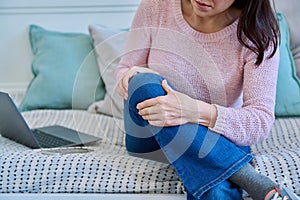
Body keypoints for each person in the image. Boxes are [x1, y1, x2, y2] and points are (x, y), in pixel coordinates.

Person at [115, 0, 300, 199]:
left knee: (217, 186)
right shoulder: (156, 6)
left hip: (215, 138)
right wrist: (130, 77)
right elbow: (125, 71)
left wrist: (193, 110)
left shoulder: (258, 33)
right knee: (143, 83)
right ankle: (251, 180)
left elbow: (260, 121)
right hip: (150, 138)